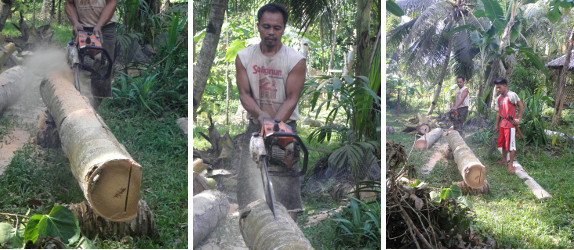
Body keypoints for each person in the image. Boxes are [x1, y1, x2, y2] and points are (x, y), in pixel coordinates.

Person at [235, 3, 306, 221]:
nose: (271, 32)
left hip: (285, 128)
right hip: (256, 126)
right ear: (258, 26)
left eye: (276, 28)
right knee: (247, 182)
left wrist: (274, 126)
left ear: (283, 29)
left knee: (288, 185)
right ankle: (251, 229)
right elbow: (244, 94)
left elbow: (292, 98)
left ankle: (289, 235)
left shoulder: (295, 60)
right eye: (266, 26)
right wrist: (259, 114)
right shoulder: (244, 57)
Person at [65, 0, 118, 110]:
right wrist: (75, 23)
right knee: (78, 66)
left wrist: (99, 25)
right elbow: (69, 4)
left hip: (105, 27)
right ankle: (76, 104)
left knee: (103, 67)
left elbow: (112, 2)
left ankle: (93, 108)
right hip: (82, 27)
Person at [494, 77, 524, 173]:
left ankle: (510, 164)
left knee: (511, 145)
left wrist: (518, 119)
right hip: (503, 124)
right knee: (503, 144)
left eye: (499, 87)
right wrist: (496, 125)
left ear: (505, 86)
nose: (498, 90)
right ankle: (504, 160)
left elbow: (520, 105)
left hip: (511, 125)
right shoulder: (499, 98)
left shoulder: (512, 95)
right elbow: (499, 112)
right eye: (497, 88)